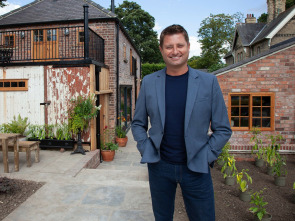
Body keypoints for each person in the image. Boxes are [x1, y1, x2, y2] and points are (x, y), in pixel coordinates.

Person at [131, 24, 232, 221]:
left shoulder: (208, 82)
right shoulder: (149, 82)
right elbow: (137, 123)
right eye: (169, 46)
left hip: (196, 167)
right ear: (161, 50)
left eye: (180, 45)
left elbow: (223, 129)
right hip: (160, 167)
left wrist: (207, 156)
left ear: (188, 46)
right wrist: (146, 148)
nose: (175, 51)